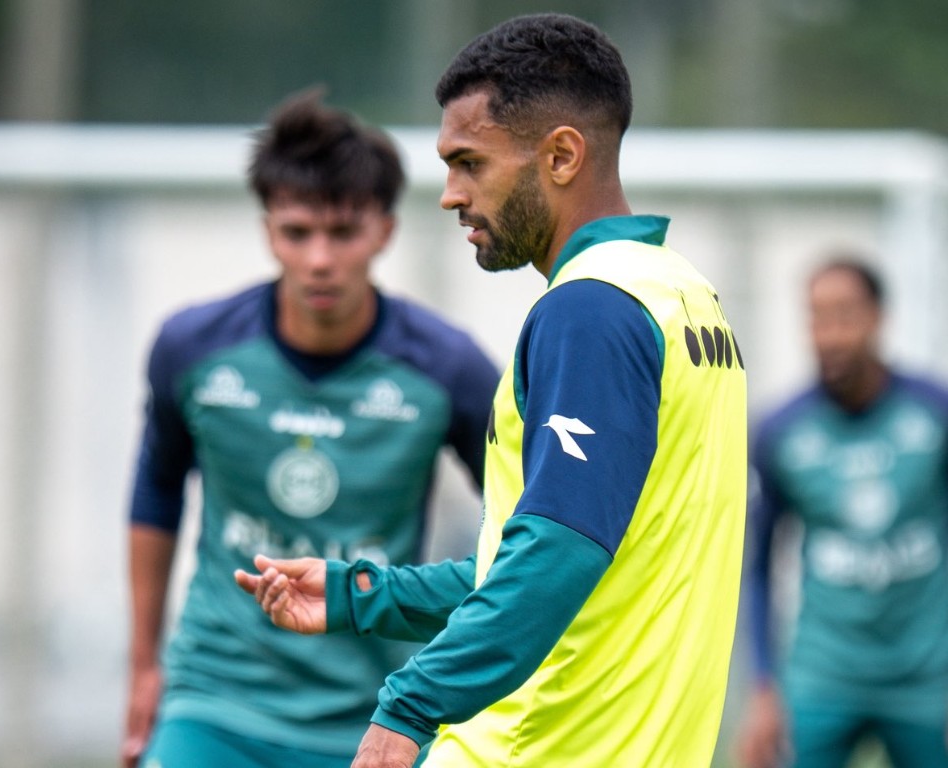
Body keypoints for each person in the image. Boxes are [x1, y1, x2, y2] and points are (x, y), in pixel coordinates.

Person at [235, 13, 749, 768]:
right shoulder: (683, 297)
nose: (450, 195)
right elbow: (566, 556)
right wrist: (361, 594)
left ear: (562, 156)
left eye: (469, 162)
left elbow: (556, 552)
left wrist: (411, 704)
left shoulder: (591, 310)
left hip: (536, 748)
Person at [123, 89, 500, 768]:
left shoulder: (450, 370)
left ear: (384, 230)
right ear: (268, 230)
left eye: (343, 232)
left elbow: (519, 522)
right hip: (213, 704)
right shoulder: (192, 350)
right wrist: (144, 665)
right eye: (298, 232)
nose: (320, 259)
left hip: (378, 717)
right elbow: (155, 495)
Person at [734, 257, 948, 768]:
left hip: (929, 680)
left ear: (879, 317)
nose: (830, 335)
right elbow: (759, 569)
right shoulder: (780, 432)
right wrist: (764, 687)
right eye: (816, 318)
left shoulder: (944, 414)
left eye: (844, 315)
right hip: (821, 676)